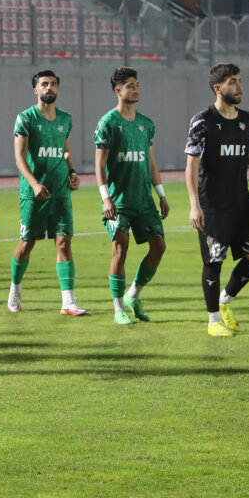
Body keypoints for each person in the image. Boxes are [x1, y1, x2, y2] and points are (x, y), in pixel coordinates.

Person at [185, 63, 249, 337]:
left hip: (241, 201)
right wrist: (194, 205)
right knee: (214, 261)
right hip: (213, 204)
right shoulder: (202, 120)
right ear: (218, 88)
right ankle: (213, 320)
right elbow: (191, 164)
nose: (239, 86)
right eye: (232, 81)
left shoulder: (248, 120)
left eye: (239, 80)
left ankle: (225, 300)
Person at [93, 67, 170, 325]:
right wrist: (106, 198)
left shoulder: (146, 124)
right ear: (118, 91)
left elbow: (151, 163)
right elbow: (99, 165)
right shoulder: (108, 123)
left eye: (137, 85)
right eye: (130, 86)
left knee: (159, 246)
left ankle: (133, 296)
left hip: (144, 200)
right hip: (118, 202)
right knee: (120, 250)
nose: (136, 89)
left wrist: (161, 194)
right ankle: (118, 309)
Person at [8, 70, 86, 315]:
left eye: (53, 84)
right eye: (44, 84)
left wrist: (72, 171)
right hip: (33, 193)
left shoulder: (66, 119)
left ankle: (68, 301)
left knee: (63, 242)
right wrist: (34, 184)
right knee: (26, 243)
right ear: (36, 89)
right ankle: (15, 289)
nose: (49, 88)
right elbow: (19, 158)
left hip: (60, 191)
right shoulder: (25, 118)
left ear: (58, 88)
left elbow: (65, 150)